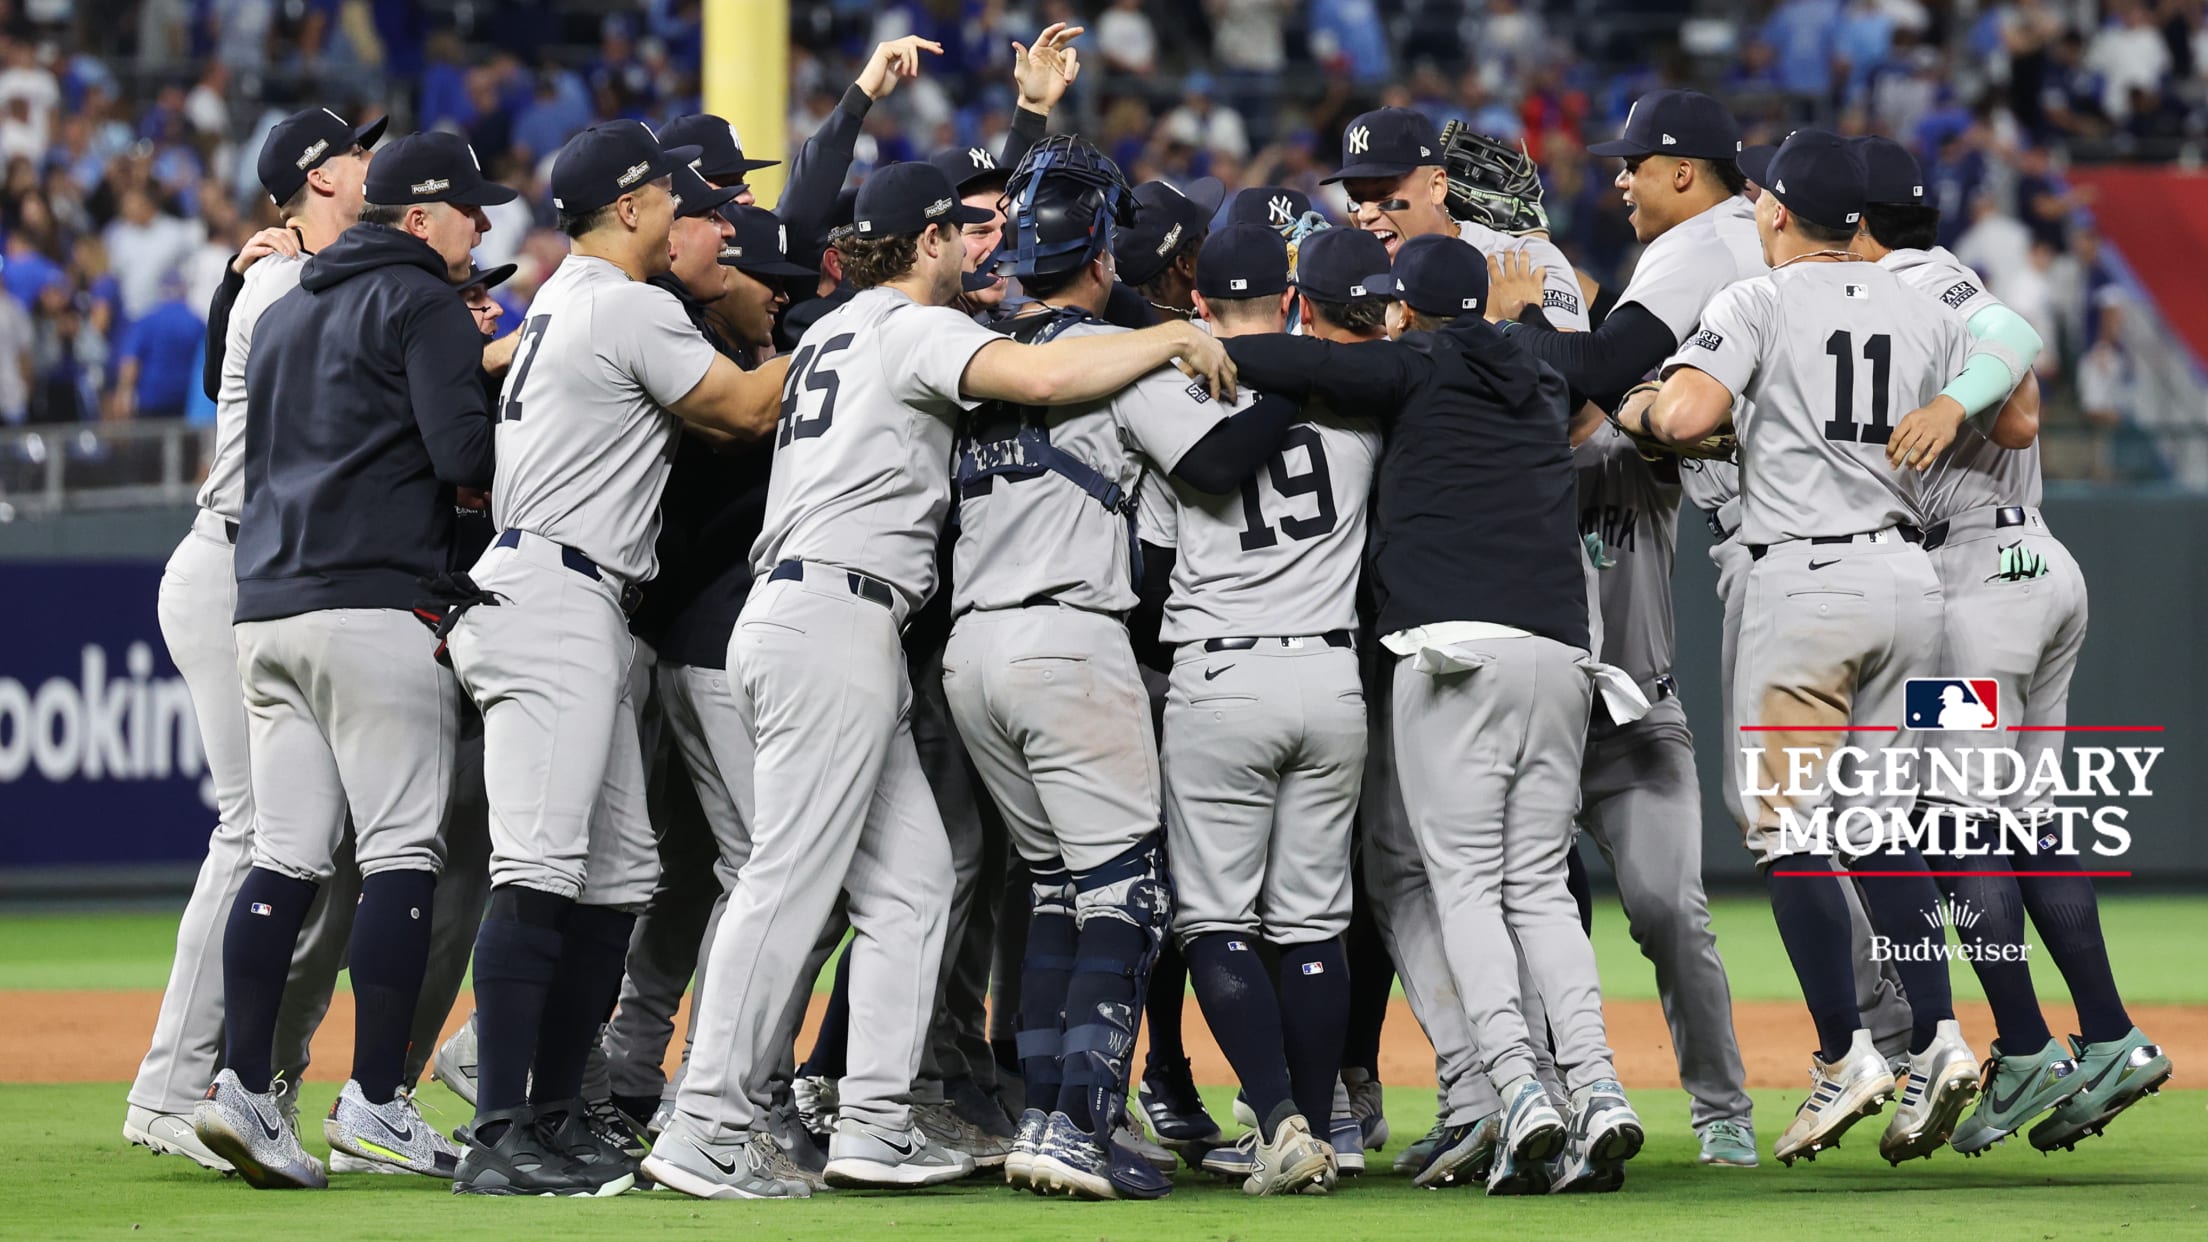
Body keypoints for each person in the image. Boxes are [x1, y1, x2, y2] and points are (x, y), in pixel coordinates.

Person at [641, 157, 1234, 1202]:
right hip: (833, 614)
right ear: (922, 244)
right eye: (960, 232)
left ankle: (874, 1121)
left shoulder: (832, 327)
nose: (980, 248)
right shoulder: (916, 327)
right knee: (784, 879)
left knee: (917, 884)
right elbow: (1049, 375)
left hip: (821, 612)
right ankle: (707, 1121)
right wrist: (1176, 333)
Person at [1220, 234, 1643, 1195]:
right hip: (1560, 651)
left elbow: (1303, 358)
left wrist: (1191, 347)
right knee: (1536, 884)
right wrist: (1550, 302)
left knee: (1461, 883)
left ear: (1405, 309)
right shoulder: (1538, 359)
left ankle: (1516, 1088)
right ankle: (1599, 1084)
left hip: (1453, 653)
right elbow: (1618, 356)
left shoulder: (1411, 360)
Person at [1624, 127, 2003, 1167]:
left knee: (1786, 832)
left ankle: (1844, 1053)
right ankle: (1935, 1036)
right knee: (1881, 827)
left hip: (1805, 582)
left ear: (1779, 210)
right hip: (1909, 581)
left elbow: (1691, 408)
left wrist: (1646, 405)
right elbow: (2011, 413)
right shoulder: (1923, 296)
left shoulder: (1757, 298)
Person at [441, 120, 792, 1198]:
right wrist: (858, 337)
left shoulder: (560, 296)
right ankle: (503, 1128)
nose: (694, 217)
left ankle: (553, 1113)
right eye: (676, 202)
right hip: (555, 595)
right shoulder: (624, 303)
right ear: (632, 210)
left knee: (622, 870)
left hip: (575, 596)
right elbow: (739, 410)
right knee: (541, 869)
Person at [190, 130, 510, 1191]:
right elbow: (462, 456)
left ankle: (243, 1087)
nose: (485, 223)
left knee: (284, 857)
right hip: (373, 603)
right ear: (418, 217)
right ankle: (376, 1102)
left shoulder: (281, 306)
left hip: (267, 606)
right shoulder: (419, 301)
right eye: (470, 207)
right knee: (404, 856)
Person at [1849, 135, 2173, 1156]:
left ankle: (2028, 1046)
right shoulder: (1941, 276)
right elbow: (2020, 400)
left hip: (1979, 590)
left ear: (1854, 224)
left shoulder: (1910, 283)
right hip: (2037, 576)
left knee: (1953, 825)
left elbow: (2016, 344)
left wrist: (1953, 401)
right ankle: (2112, 1035)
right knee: (2026, 820)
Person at [126, 105, 384, 1179]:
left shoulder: (289, 274)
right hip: (236, 559)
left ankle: (250, 1077)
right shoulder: (286, 282)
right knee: (255, 838)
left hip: (275, 567)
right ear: (319, 176)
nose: (374, 160)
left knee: (313, 850)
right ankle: (171, 1092)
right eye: (357, 150)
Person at [1154, 223, 1380, 1196]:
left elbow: (1153, 554)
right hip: (1331, 679)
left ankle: (1282, 1119)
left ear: (1199, 307)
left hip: (1222, 673)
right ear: (1290, 301)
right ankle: (1318, 1120)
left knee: (1216, 920)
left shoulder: (1167, 394)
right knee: (1315, 924)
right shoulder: (1360, 410)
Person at [1323, 106, 1586, 330]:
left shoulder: (1520, 261)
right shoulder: (1345, 281)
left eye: (1384, 194)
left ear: (1437, 187)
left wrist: (1508, 325)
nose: (1365, 214)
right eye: (1355, 199)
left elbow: (1575, 376)